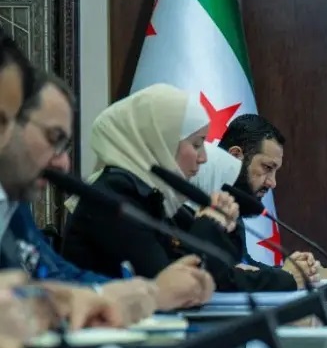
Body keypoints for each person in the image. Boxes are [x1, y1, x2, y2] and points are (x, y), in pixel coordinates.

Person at [0, 71, 214, 318]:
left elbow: (58, 275)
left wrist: (141, 292)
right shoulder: (119, 191)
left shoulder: (14, 204)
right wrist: (150, 293)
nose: (64, 164)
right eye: (53, 139)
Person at [60, 84, 236, 286]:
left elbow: (224, 269)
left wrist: (223, 224)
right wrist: (209, 223)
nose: (203, 157)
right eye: (196, 144)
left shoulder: (152, 196)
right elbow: (173, 283)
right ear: (160, 142)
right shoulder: (117, 196)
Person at [190, 141, 309, 290]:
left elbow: (243, 266)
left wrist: (288, 271)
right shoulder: (189, 221)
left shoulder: (227, 218)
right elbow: (223, 280)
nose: (273, 183)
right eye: (267, 167)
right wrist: (286, 277)